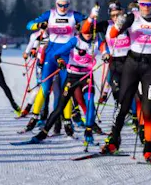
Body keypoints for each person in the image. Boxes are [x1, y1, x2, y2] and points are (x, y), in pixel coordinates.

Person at [101, 0, 151, 161]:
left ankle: (149, 148)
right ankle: (114, 140)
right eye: (143, 4)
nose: (145, 7)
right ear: (139, 3)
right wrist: (117, 25)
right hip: (131, 64)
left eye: (149, 4)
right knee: (122, 105)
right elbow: (113, 34)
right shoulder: (132, 17)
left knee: (147, 110)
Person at [19, 16, 101, 145]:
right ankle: (43, 133)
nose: (88, 35)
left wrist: (107, 54)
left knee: (90, 102)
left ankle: (89, 131)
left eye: (90, 32)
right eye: (86, 32)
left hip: (86, 77)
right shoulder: (75, 40)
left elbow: (106, 48)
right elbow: (57, 53)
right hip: (72, 76)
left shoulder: (97, 41)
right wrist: (60, 60)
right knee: (59, 106)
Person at [23, 0, 87, 132]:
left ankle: (67, 121)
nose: (63, 8)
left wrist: (84, 25)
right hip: (51, 55)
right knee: (45, 88)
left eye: (65, 5)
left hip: (67, 55)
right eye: (60, 5)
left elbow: (90, 23)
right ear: (56, 4)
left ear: (69, 5)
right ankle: (34, 117)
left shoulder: (74, 15)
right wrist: (39, 25)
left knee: (66, 90)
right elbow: (28, 25)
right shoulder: (50, 14)